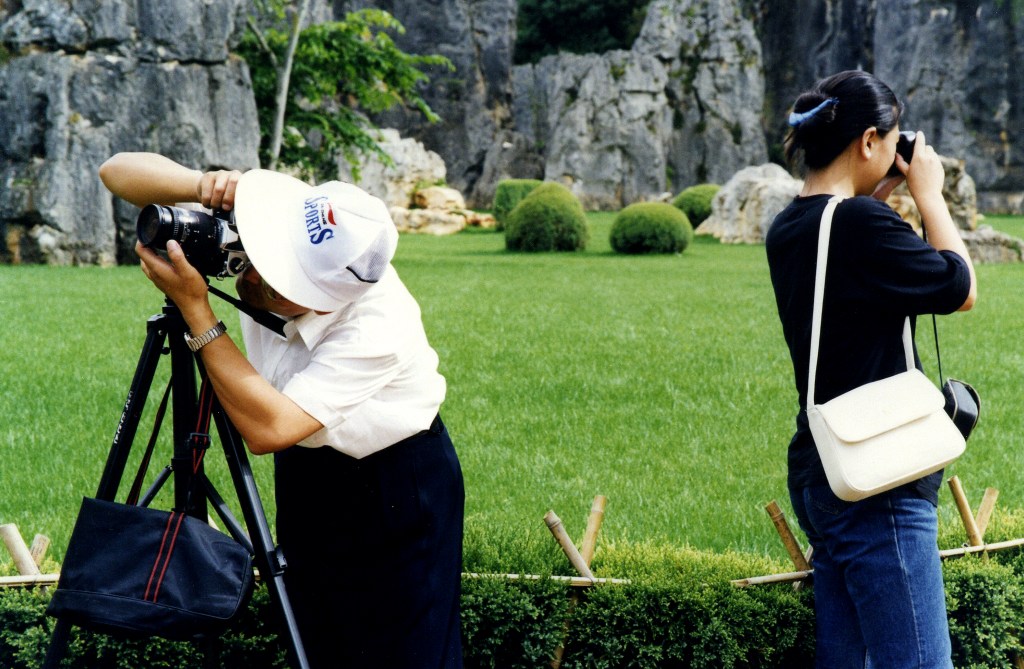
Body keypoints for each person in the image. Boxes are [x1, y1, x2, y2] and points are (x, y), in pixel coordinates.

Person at [99, 152, 465, 669]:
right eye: (267, 259)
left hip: (398, 487)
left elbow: (270, 427)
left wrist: (197, 310)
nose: (255, 279)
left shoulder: (379, 327)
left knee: (406, 652)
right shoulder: (286, 212)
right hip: (309, 470)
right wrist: (207, 187)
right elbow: (115, 171)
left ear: (322, 303)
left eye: (279, 286)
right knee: (315, 637)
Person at [765, 70, 976, 668]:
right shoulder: (859, 225)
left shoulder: (788, 226)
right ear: (866, 142)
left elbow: (848, 254)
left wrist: (877, 187)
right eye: (889, 140)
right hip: (879, 481)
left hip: (822, 469)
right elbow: (961, 287)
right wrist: (930, 194)